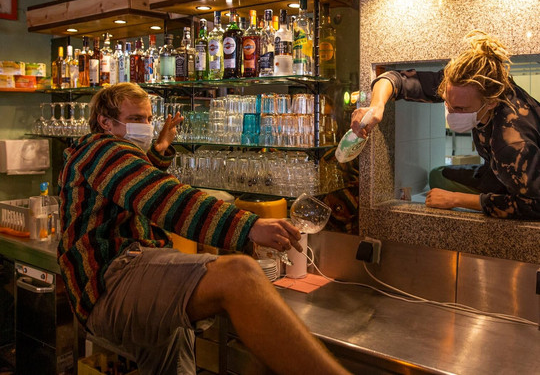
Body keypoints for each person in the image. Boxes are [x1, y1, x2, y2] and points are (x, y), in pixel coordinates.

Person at [57, 82, 350, 375]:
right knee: (241, 275)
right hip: (108, 283)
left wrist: (159, 149)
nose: (145, 126)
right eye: (135, 119)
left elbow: (133, 182)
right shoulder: (100, 150)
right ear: (105, 122)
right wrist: (249, 226)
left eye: (148, 119)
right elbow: (162, 197)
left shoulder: (107, 156)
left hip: (123, 280)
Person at [351, 31, 540, 220]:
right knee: (438, 176)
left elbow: (535, 205)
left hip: (529, 185)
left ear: (491, 102)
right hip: (497, 172)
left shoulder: (511, 141)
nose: (451, 113)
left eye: (461, 108)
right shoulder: (470, 84)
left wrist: (457, 199)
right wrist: (376, 106)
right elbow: (394, 79)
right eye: (448, 103)